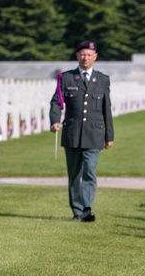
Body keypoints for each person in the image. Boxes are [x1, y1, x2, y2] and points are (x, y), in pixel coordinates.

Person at [49, 41, 114, 221]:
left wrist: (109, 135)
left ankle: (87, 208)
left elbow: (106, 108)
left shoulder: (102, 79)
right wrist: (55, 121)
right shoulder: (66, 78)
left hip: (94, 134)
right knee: (75, 174)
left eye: (88, 54)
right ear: (77, 56)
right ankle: (77, 211)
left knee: (90, 171)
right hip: (72, 133)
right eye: (82, 54)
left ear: (95, 57)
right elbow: (56, 102)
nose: (85, 57)